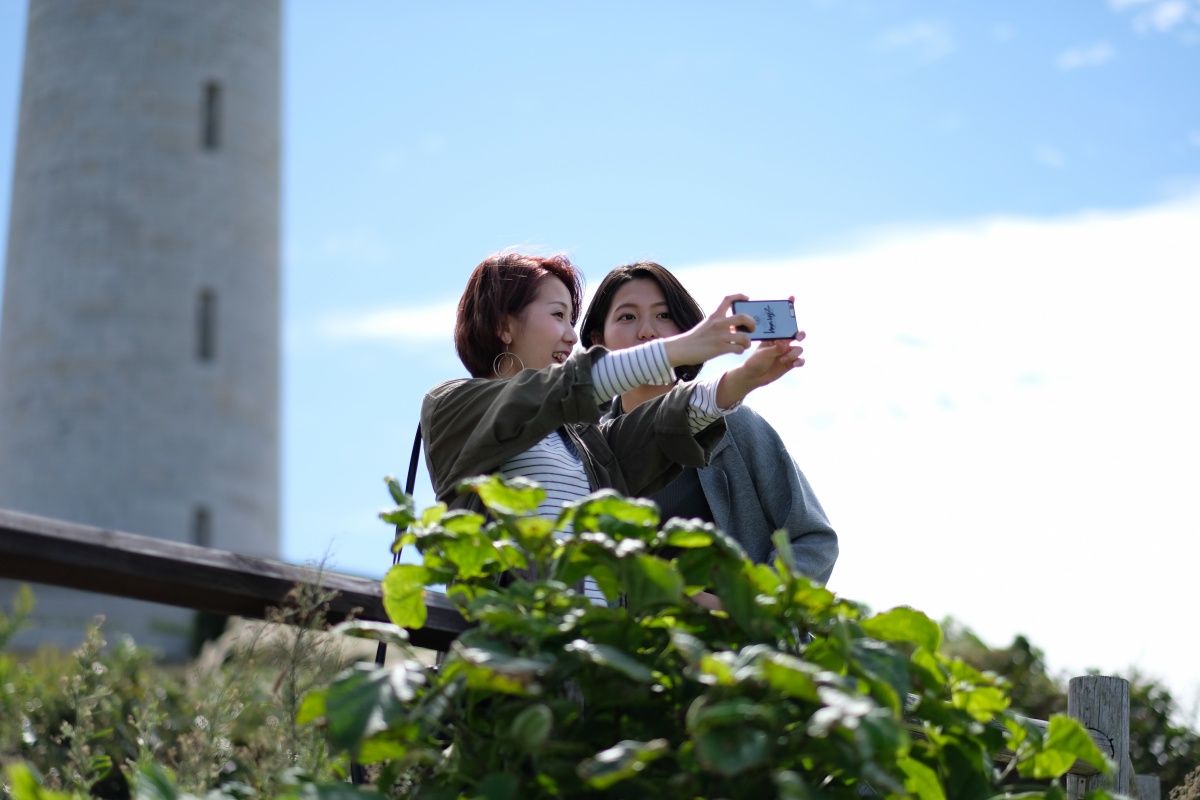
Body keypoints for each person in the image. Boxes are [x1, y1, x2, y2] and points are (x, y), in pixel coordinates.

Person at [420, 252, 806, 602]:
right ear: (505, 325)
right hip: (515, 646)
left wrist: (742, 378)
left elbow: (658, 428)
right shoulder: (454, 405)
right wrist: (685, 346)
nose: (571, 336)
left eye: (572, 320)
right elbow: (560, 389)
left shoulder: (581, 438)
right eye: (558, 316)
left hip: (592, 654)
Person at [579, 261, 838, 584]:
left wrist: (744, 605)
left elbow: (814, 540)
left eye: (664, 315)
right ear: (597, 339)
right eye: (627, 317)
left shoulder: (733, 421)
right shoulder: (584, 446)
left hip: (739, 632)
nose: (647, 331)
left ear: (689, 332)